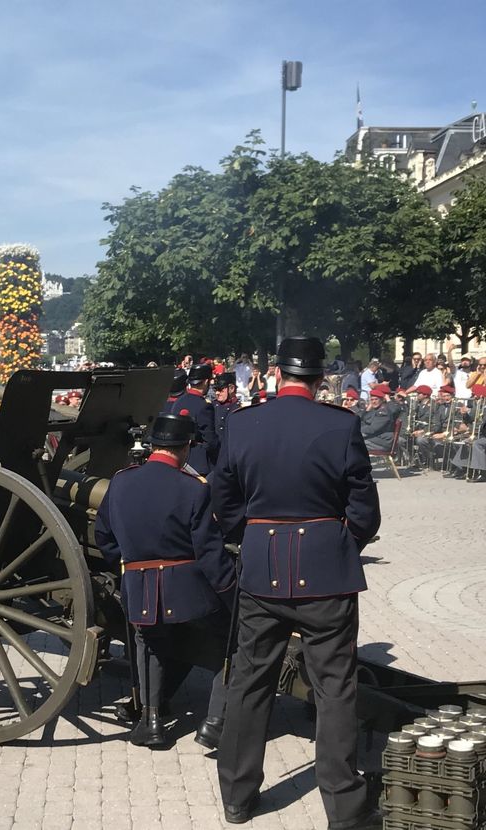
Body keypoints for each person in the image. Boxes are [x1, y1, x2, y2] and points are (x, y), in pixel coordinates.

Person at [212, 336, 381, 829]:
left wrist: (255, 535)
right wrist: (341, 542)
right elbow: (364, 510)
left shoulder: (241, 424)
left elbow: (224, 501)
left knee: (249, 683)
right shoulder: (340, 424)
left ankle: (238, 798)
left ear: (277, 375)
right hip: (326, 574)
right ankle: (344, 808)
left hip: (262, 568)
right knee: (335, 689)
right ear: (320, 379)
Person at [95, 413, 236, 748]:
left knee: (149, 643)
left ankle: (151, 720)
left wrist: (131, 569)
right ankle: (215, 723)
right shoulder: (193, 489)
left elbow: (104, 535)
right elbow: (209, 552)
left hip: (139, 588)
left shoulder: (120, 482)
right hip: (189, 592)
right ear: (185, 448)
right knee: (233, 641)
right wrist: (232, 594)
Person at [170, 363, 220, 475]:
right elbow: (210, 441)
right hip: (198, 465)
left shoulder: (178, 402)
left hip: (178, 461)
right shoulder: (204, 406)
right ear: (206, 381)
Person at [213, 372, 242, 440]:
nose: (217, 393)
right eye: (216, 390)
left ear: (231, 388)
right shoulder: (212, 406)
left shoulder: (239, 409)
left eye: (220, 390)